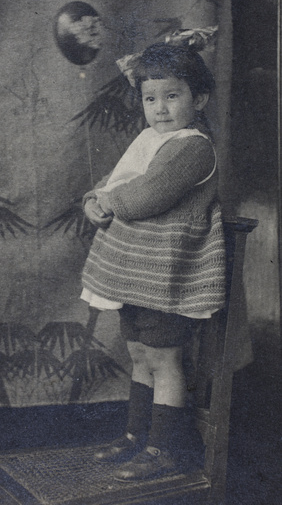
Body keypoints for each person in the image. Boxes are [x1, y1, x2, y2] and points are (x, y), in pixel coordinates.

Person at [80, 29, 226, 482]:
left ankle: (164, 448)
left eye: (172, 96)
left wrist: (108, 203)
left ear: (198, 99)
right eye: (150, 99)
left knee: (165, 359)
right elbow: (113, 182)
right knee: (140, 354)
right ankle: (135, 438)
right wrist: (94, 200)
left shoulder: (193, 147)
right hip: (134, 275)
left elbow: (146, 195)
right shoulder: (148, 141)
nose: (160, 109)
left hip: (167, 275)